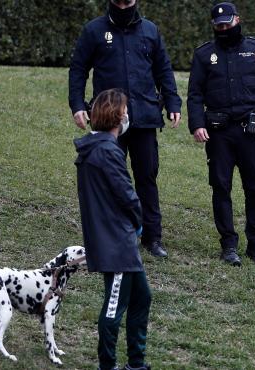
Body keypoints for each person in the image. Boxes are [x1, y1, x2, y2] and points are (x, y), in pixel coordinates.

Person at [69, 0, 182, 258]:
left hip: (144, 117)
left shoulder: (151, 31)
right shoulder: (94, 31)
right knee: (111, 179)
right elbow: (78, 69)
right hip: (108, 120)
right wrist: (77, 104)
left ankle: (152, 238)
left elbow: (163, 69)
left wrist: (173, 102)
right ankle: (117, 235)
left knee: (147, 177)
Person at [187, 2, 255, 267]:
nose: (224, 28)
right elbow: (195, 93)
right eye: (219, 26)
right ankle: (228, 245)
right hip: (219, 134)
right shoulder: (205, 54)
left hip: (250, 132)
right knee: (220, 187)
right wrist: (197, 124)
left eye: (227, 23)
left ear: (237, 20)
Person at [75, 89, 153, 370]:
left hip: (117, 240)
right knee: (114, 307)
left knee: (142, 297)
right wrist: (138, 220)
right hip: (116, 242)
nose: (128, 115)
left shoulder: (95, 148)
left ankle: (136, 363)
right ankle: (107, 365)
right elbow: (127, 195)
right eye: (126, 110)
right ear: (118, 116)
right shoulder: (107, 151)